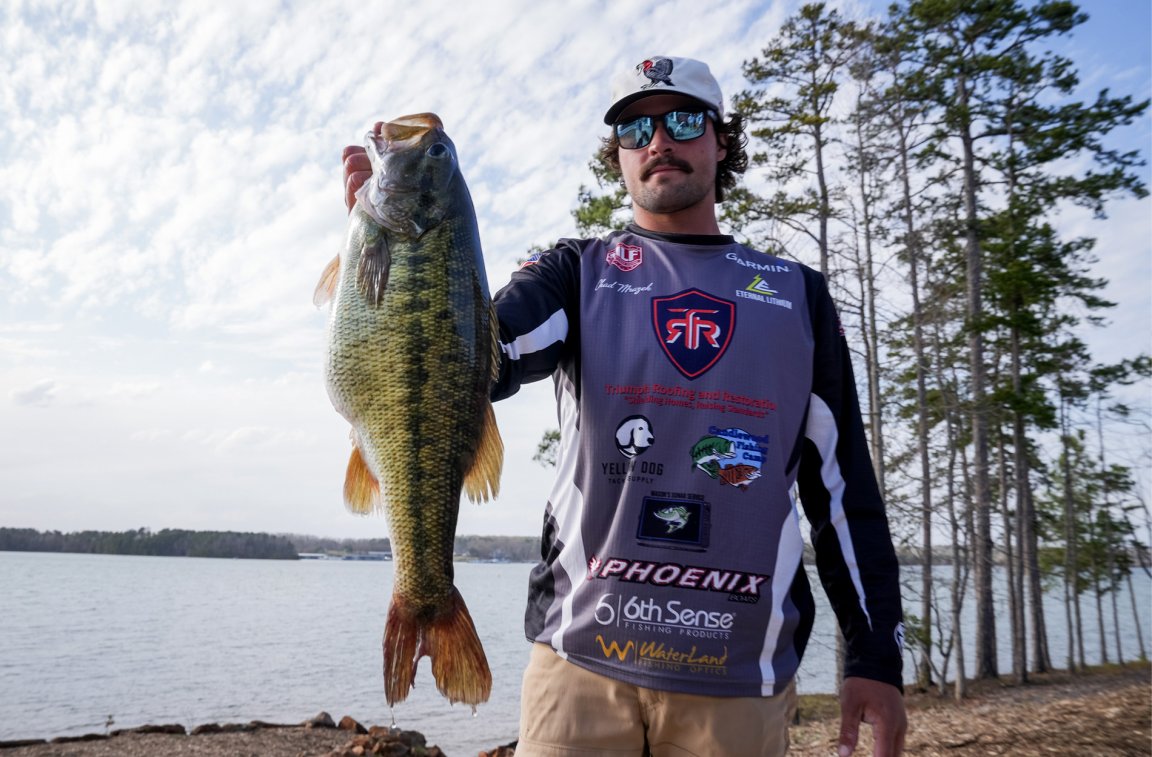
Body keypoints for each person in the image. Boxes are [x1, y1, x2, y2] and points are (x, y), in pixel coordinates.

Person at [343, 55, 906, 757]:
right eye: (636, 127)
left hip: (735, 677)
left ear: (721, 140)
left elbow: (842, 489)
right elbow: (481, 364)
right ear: (618, 155)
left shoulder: (797, 296)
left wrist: (875, 654)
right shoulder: (573, 273)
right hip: (579, 665)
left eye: (683, 119)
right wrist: (395, 269)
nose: (659, 140)